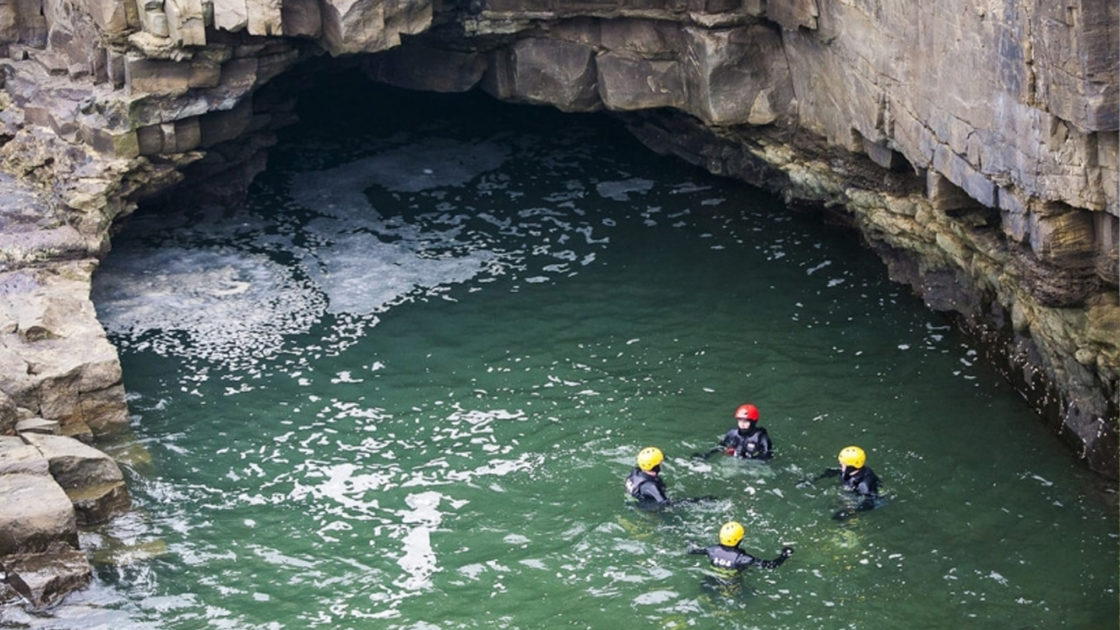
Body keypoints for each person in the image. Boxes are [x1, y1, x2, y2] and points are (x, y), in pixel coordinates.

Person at [801, 445, 881, 520]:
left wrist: (850, 512)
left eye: (843, 463)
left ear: (851, 467)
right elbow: (832, 472)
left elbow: (870, 502)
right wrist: (814, 479)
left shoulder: (864, 484)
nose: (840, 464)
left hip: (857, 499)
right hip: (850, 493)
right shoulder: (851, 470)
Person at [689, 521, 793, 571]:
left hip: (710, 581)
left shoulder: (711, 550)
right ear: (740, 539)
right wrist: (785, 555)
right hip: (732, 586)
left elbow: (692, 550)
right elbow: (771, 565)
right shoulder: (743, 559)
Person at [694, 403, 773, 460]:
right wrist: (707, 454)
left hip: (752, 465)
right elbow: (721, 446)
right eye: (740, 421)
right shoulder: (732, 433)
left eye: (745, 421)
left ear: (753, 422)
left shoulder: (760, 437)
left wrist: (748, 459)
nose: (742, 424)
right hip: (735, 459)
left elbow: (767, 455)